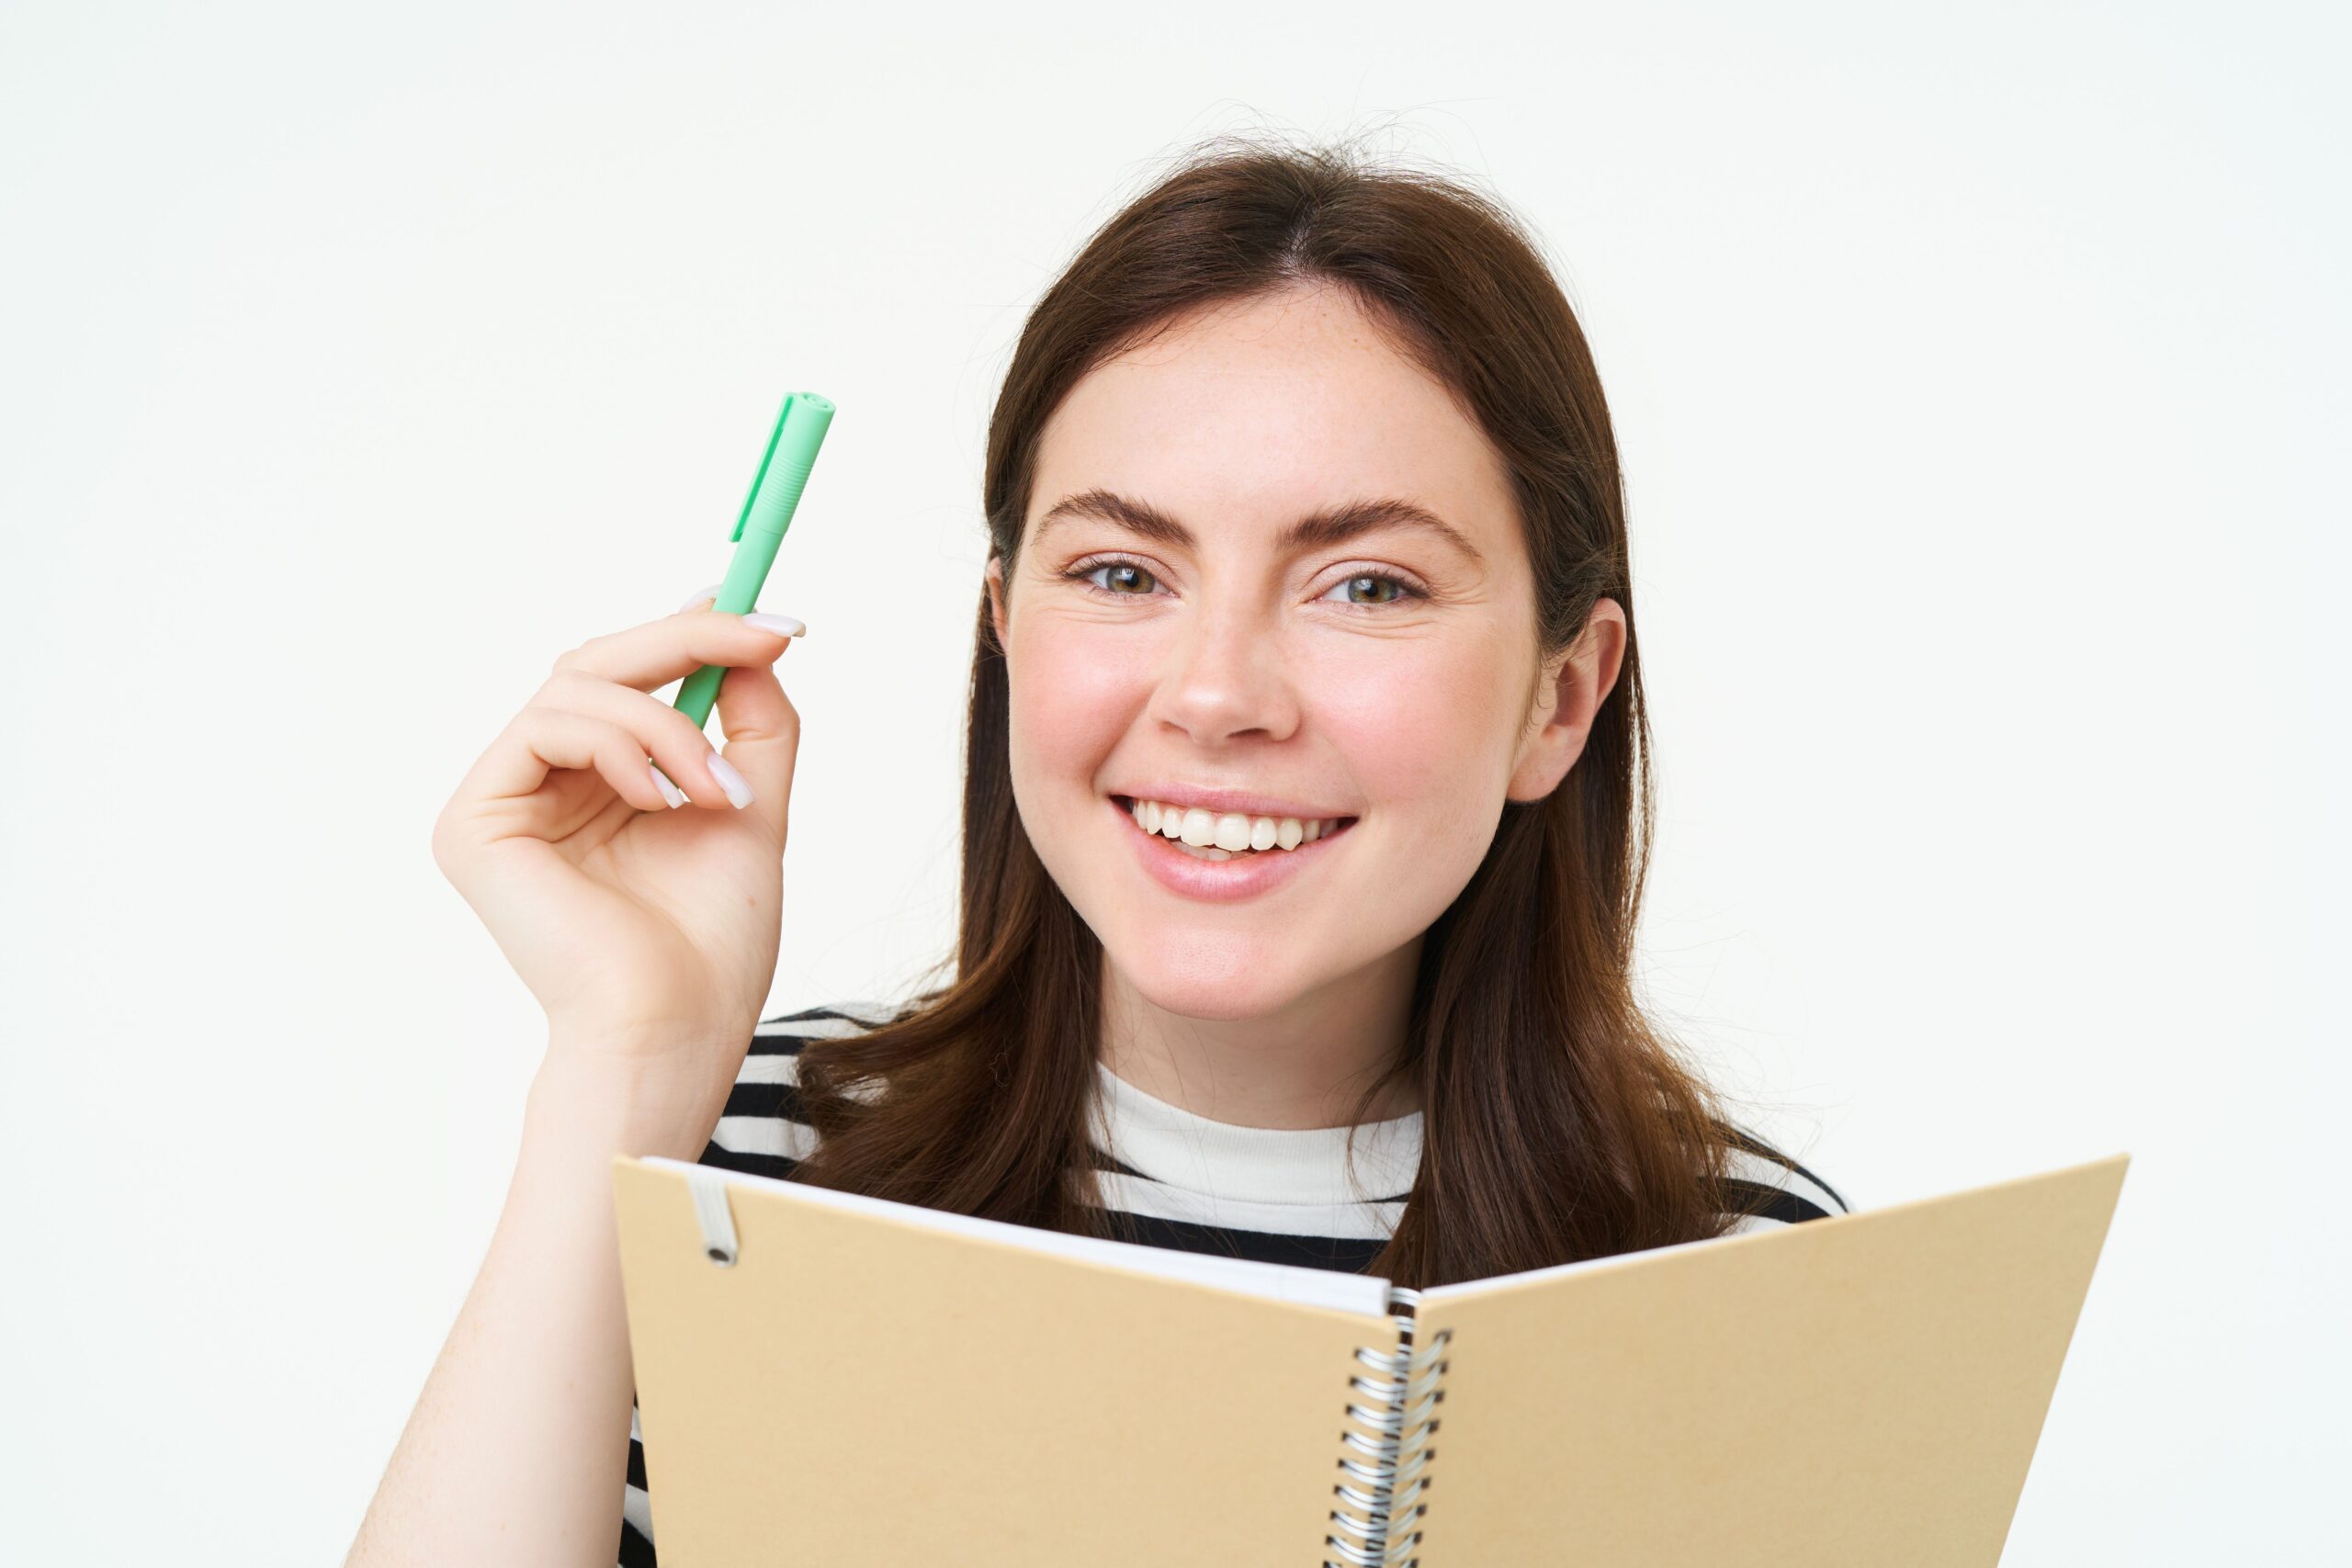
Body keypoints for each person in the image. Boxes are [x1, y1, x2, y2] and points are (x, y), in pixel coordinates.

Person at [345, 133, 1848, 1568]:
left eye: (1368, 586)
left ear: (1559, 697)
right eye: (1122, 570)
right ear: (1006, 633)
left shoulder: (1748, 1274)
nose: (1215, 696)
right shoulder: (744, 1172)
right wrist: (629, 1064)